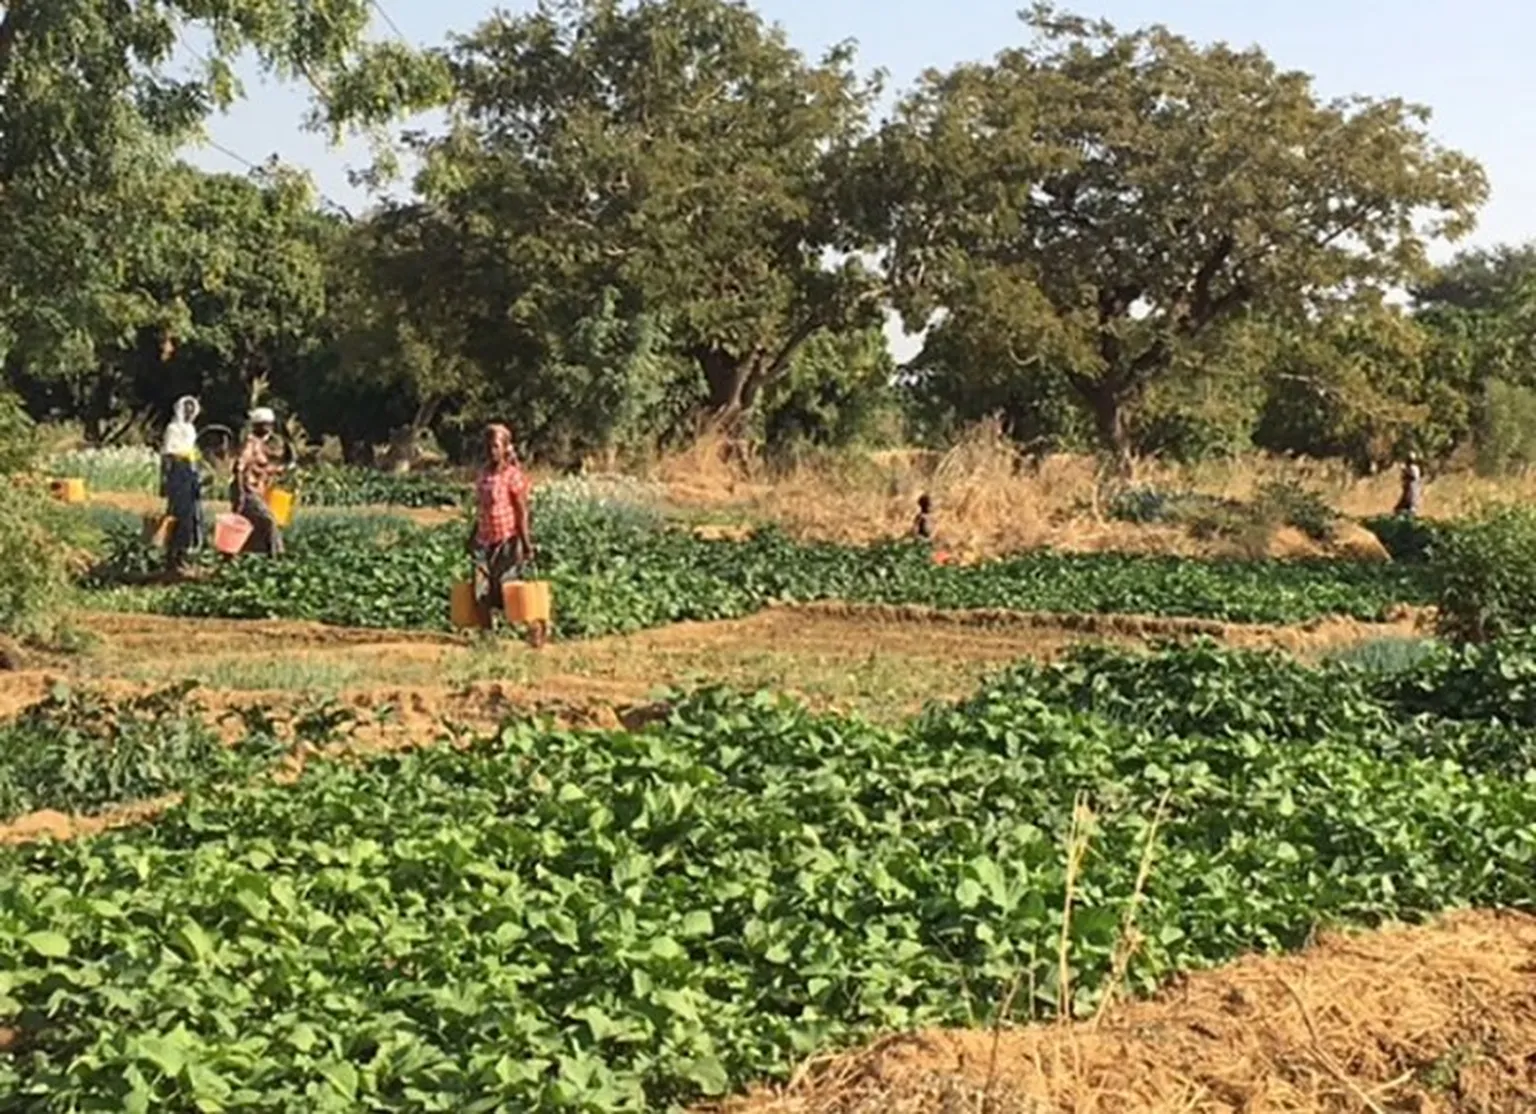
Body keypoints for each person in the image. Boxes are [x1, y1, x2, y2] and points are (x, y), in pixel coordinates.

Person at [468, 423, 543, 645]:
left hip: (507, 540)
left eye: (495, 446)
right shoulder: (482, 474)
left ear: (505, 448)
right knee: (479, 590)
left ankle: (535, 627)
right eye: (487, 446)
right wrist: (472, 536)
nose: (491, 451)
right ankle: (488, 637)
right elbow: (482, 510)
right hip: (484, 540)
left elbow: (521, 512)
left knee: (508, 592)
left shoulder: (513, 476)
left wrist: (525, 542)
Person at [160, 396, 205, 575]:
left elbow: (192, 451)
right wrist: (164, 481)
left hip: (190, 471)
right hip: (177, 471)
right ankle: (172, 557)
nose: (188, 412)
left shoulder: (191, 429)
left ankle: (183, 556)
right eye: (185, 408)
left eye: (191, 409)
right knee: (178, 513)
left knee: (192, 514)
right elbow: (167, 456)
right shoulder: (173, 429)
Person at [232, 407, 284, 556]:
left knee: (251, 526)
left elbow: (265, 467)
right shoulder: (250, 443)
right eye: (265, 424)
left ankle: (239, 557)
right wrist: (241, 494)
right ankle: (276, 555)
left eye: (270, 424)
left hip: (258, 490)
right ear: (257, 426)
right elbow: (239, 468)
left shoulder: (265, 444)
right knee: (268, 521)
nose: (269, 428)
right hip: (247, 490)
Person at [1395, 452, 1423, 518]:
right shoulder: (1413, 468)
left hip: (1411, 496)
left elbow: (1413, 477)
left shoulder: (1413, 469)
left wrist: (1405, 472)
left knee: (1405, 510)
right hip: (1410, 495)